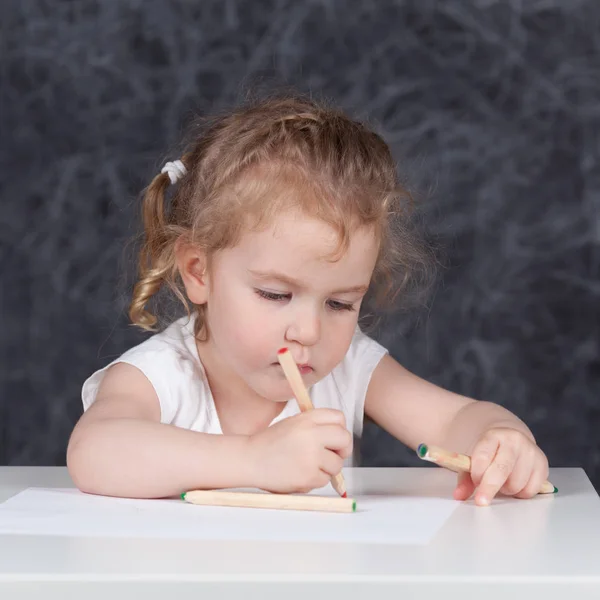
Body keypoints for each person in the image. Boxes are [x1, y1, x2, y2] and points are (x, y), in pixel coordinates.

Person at [67, 93, 550, 506]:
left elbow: (455, 419)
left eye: (340, 303)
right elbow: (95, 451)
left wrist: (501, 440)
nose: (310, 331)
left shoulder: (347, 365)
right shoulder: (163, 373)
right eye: (276, 294)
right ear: (198, 270)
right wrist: (254, 459)